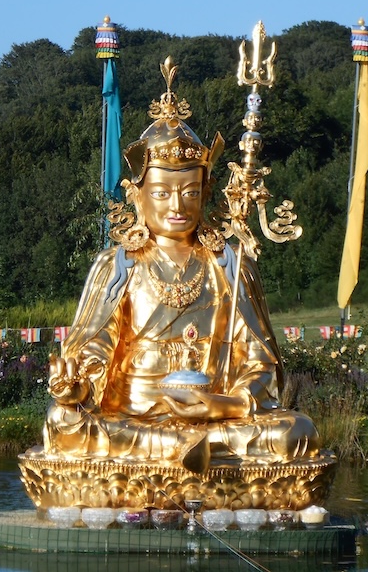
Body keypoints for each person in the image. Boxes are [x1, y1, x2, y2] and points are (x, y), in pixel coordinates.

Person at [44, 59, 320, 475]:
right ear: (137, 196)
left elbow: (259, 364)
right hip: (133, 420)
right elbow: (93, 354)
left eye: (190, 192)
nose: (177, 206)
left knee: (296, 433)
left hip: (217, 420)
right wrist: (73, 385)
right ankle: (190, 456)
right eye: (162, 193)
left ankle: (191, 451)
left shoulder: (228, 264)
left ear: (207, 192)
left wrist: (223, 405)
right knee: (64, 422)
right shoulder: (118, 265)